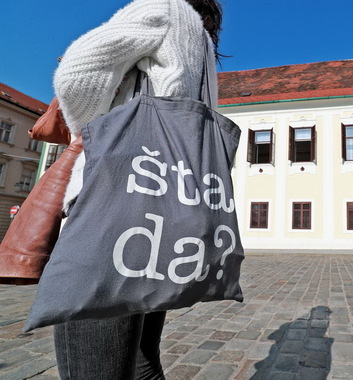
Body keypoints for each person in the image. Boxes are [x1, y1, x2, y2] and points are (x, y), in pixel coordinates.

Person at [51, 0, 222, 378]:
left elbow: (76, 75)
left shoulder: (165, 8)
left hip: (113, 208)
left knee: (93, 368)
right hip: (166, 220)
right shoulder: (203, 48)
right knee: (143, 360)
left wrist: (93, 132)